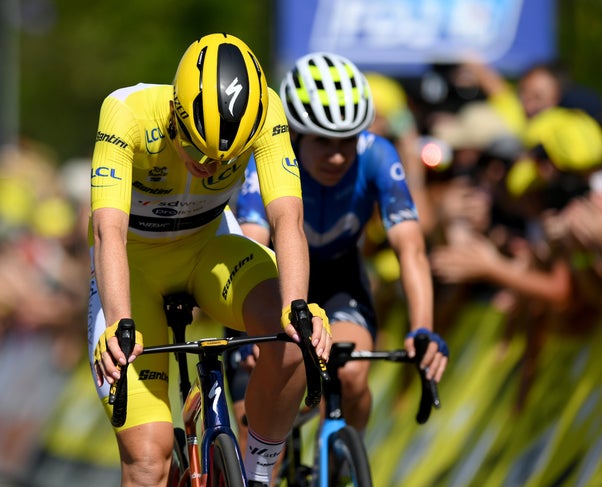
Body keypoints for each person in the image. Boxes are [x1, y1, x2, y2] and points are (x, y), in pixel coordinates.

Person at [87, 33, 331, 487]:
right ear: (175, 116)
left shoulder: (267, 112)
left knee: (296, 341)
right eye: (198, 150)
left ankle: (257, 475)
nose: (209, 166)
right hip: (134, 266)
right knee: (147, 461)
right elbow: (109, 232)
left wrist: (296, 305)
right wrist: (121, 321)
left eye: (226, 160)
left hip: (210, 250)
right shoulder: (127, 114)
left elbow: (287, 219)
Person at [231, 52, 449, 438]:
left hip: (338, 277)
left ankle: (347, 463)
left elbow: (411, 248)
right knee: (262, 434)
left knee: (349, 374)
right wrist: (251, 334)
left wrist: (422, 328)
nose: (336, 155)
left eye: (347, 141)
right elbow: (253, 245)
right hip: (269, 279)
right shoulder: (267, 159)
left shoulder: (378, 155)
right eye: (323, 141)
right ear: (296, 135)